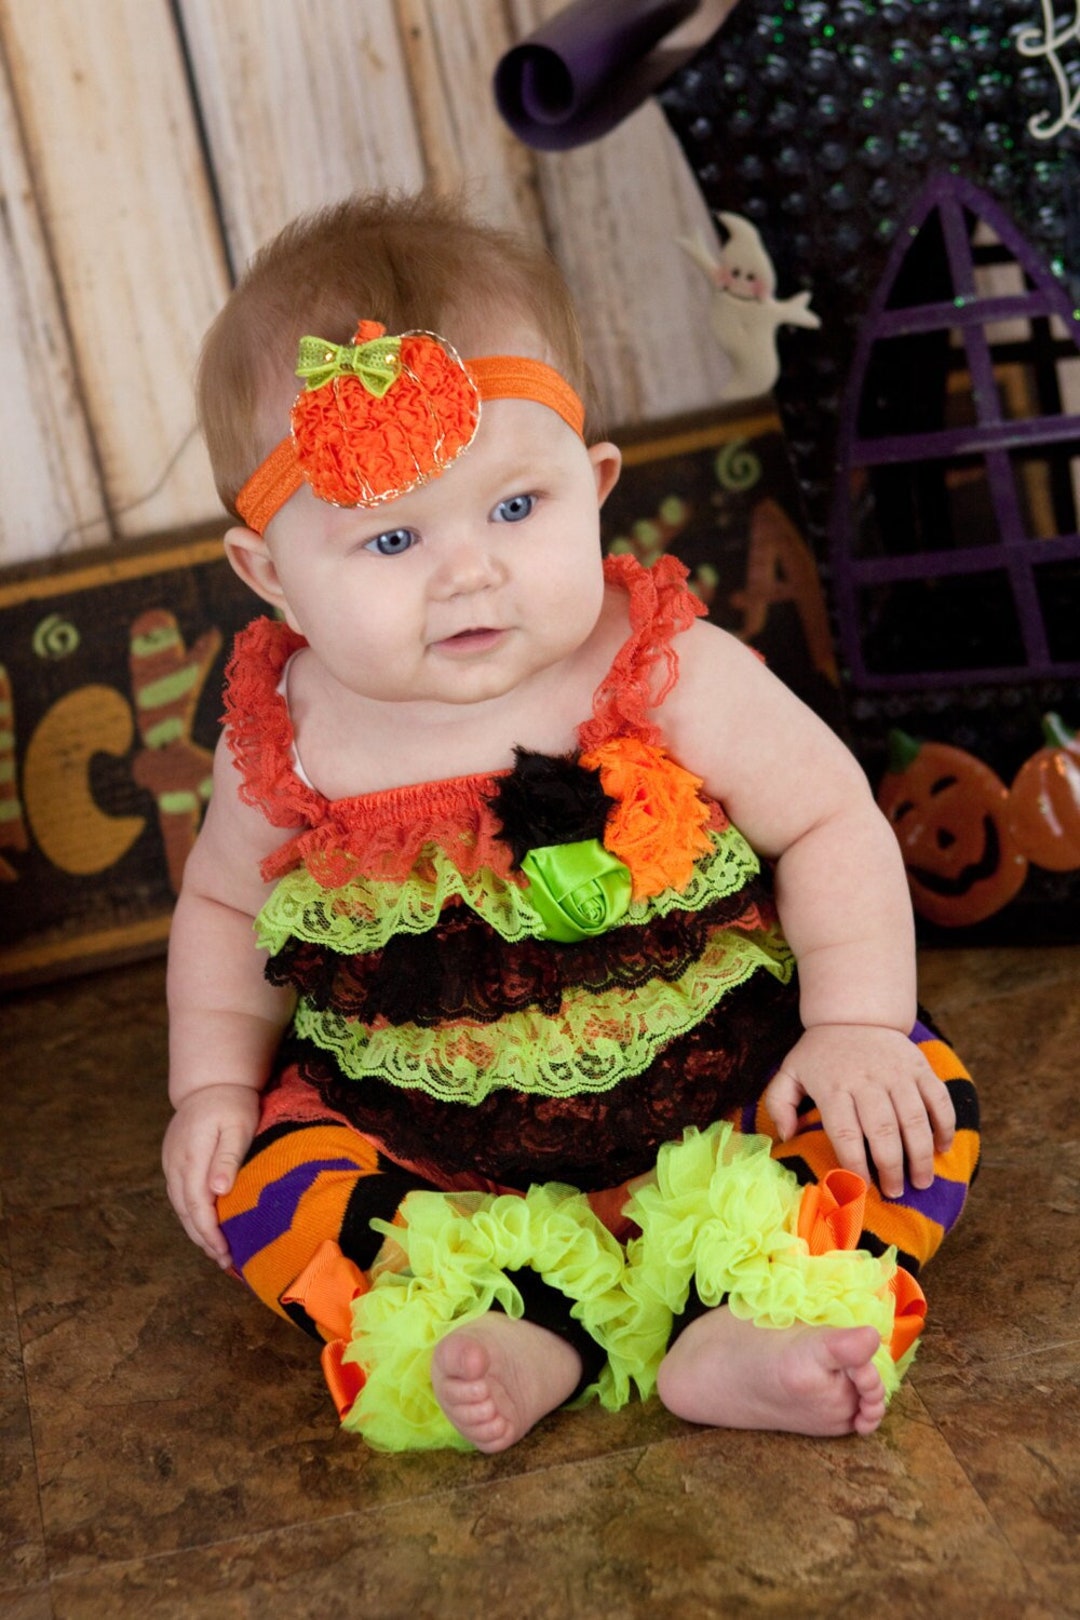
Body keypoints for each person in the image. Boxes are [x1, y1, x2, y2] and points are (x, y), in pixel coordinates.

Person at [163, 190, 980, 1455]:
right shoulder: (290, 734)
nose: (470, 569)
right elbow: (221, 905)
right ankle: (516, 1328)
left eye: (513, 508)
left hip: (724, 1094)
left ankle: (739, 1320)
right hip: (428, 1140)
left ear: (592, 484)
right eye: (391, 537)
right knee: (268, 1191)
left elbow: (827, 819)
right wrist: (210, 1085)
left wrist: (855, 1022)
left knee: (907, 1105)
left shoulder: (661, 666)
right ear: (271, 574)